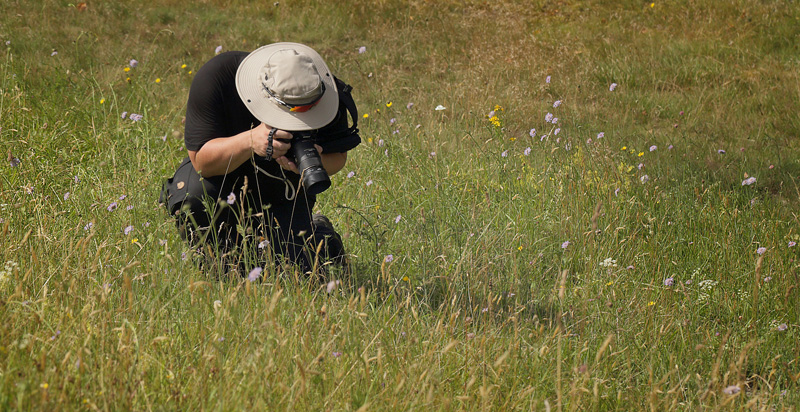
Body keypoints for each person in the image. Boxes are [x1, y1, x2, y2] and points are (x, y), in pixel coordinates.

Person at [160, 42, 361, 274]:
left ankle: (320, 234)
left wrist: (304, 163)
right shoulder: (219, 77)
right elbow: (202, 161)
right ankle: (220, 256)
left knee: (297, 274)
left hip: (283, 191)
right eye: (291, 113)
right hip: (221, 182)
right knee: (198, 209)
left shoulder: (322, 89)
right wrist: (250, 141)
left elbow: (338, 158)